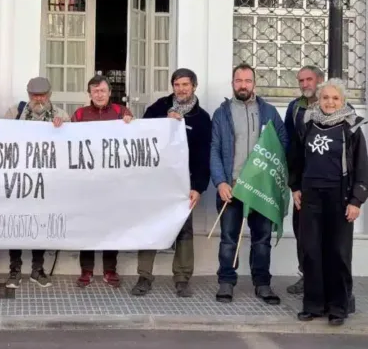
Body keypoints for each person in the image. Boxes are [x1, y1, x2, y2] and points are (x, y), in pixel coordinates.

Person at [289, 78, 368, 326]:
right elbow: (295, 159)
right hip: (311, 198)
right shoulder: (307, 125)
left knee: (338, 253)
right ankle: (313, 305)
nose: (330, 102)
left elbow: (362, 170)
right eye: (325, 97)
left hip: (340, 198)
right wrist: (295, 188)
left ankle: (338, 307)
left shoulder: (352, 129)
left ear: (343, 101)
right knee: (311, 252)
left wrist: (356, 201)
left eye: (335, 98)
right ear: (319, 99)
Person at [210, 63, 288, 305]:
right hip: (232, 189)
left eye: (247, 80)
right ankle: (226, 281)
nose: (243, 85)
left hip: (260, 190)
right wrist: (221, 182)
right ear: (232, 83)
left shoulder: (269, 113)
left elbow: (282, 144)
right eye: (238, 80)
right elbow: (213, 149)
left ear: (254, 83)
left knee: (261, 239)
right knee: (229, 239)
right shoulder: (221, 113)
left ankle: (262, 283)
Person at [132, 68, 211, 298]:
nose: (181, 89)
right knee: (151, 227)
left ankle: (182, 279)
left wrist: (198, 187)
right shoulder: (159, 106)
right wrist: (164, 120)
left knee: (183, 231)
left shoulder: (202, 118)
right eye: (177, 84)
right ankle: (144, 276)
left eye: (185, 84)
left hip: (184, 184)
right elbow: (142, 130)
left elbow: (203, 157)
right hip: (156, 182)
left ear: (194, 86)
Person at [2, 76, 70, 289]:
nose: (38, 99)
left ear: (49, 95)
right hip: (19, 177)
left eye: (42, 95)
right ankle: (14, 269)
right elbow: (2, 137)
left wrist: (62, 129)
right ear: (28, 95)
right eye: (34, 95)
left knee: (40, 223)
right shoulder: (14, 113)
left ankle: (37, 269)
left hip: (47, 180)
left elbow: (69, 145)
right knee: (16, 223)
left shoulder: (61, 115)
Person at [71, 74, 134, 288]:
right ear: (89, 94)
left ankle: (110, 270)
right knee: (86, 225)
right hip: (86, 182)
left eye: (103, 91)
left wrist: (130, 124)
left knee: (111, 225)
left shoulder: (121, 113)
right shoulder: (79, 114)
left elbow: (134, 139)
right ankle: (86, 270)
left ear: (109, 93)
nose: (99, 94)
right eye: (95, 91)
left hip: (112, 182)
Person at [283, 65, 324, 296]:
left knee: (328, 234)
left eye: (309, 79)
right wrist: (294, 185)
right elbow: (291, 147)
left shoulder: (335, 104)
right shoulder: (294, 108)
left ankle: (328, 279)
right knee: (302, 231)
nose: (305, 84)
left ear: (320, 79)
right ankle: (305, 275)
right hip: (304, 184)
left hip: (330, 183)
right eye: (301, 80)